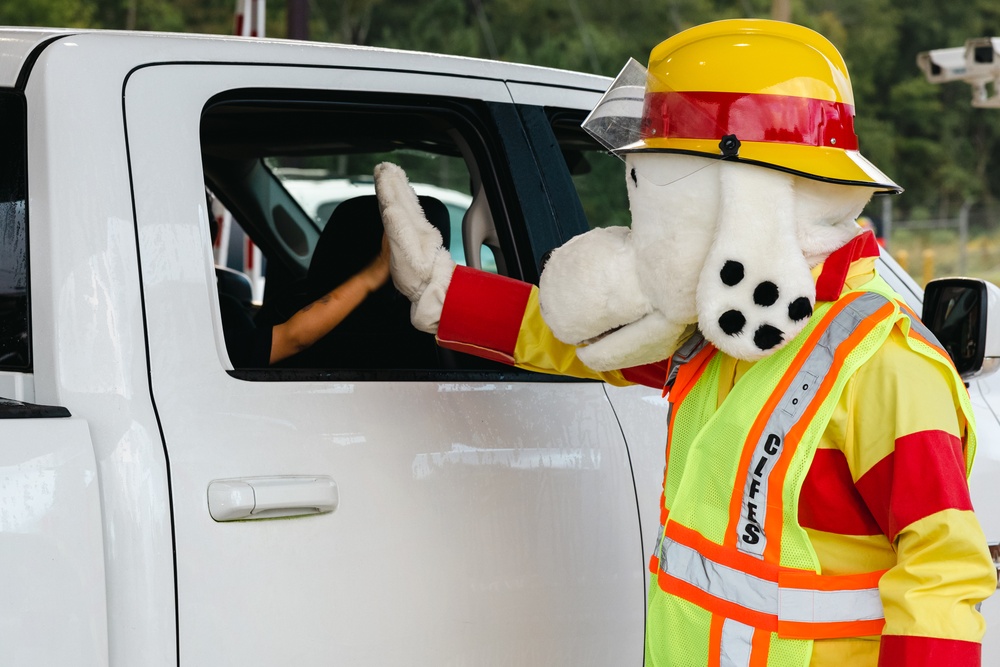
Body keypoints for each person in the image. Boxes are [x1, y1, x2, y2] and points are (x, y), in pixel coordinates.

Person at [374, 19, 997, 667]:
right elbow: (577, 337)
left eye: (662, 188)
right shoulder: (721, 333)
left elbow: (942, 576)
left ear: (748, 199)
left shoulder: (886, 365)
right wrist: (446, 293)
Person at [211, 207, 391, 367]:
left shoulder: (220, 315)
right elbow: (293, 338)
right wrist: (376, 272)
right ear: (213, 233)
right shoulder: (209, 326)